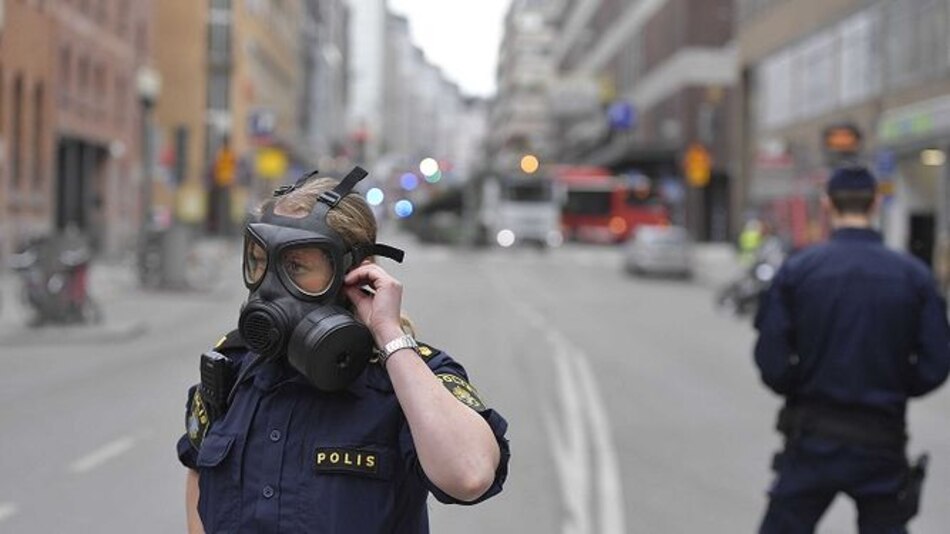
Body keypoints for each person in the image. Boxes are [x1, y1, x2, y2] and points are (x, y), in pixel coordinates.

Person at [176, 167, 510, 533]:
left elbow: (469, 474)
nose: (269, 284)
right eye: (259, 261)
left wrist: (389, 335)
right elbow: (197, 474)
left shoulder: (406, 379)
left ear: (354, 272)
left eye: (296, 265)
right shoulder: (234, 369)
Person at [754, 165, 950, 534]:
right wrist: (894, 383)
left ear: (827, 204)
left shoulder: (798, 271)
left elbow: (772, 362)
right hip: (882, 440)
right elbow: (936, 364)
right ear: (876, 203)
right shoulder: (914, 276)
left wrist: (803, 382)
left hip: (813, 437)